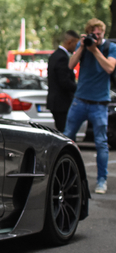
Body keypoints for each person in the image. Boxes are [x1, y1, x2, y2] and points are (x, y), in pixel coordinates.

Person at [64, 18, 116, 194]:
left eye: (100, 32)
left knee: (101, 143)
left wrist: (94, 50)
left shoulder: (110, 48)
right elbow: (70, 65)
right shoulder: (83, 46)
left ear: (103, 32)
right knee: (67, 139)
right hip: (80, 101)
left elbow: (109, 68)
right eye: (94, 32)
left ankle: (102, 180)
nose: (97, 35)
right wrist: (81, 47)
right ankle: (64, 176)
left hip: (99, 103)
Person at [47, 30, 80, 132]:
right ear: (70, 42)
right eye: (76, 44)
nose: (76, 47)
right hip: (62, 104)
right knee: (66, 132)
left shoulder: (55, 55)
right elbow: (64, 82)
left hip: (57, 103)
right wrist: (80, 89)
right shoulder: (62, 58)